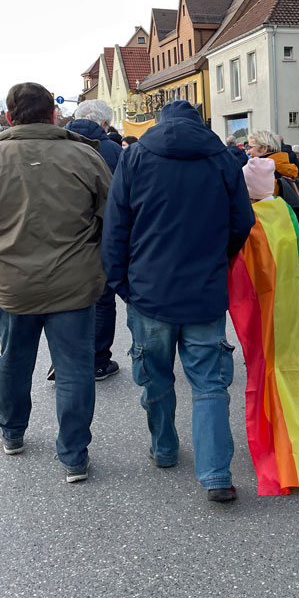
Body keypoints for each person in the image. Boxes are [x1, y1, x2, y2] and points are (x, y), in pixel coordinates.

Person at [0, 82, 113, 483]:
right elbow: (111, 221)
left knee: (14, 360)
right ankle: (74, 456)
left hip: (9, 283)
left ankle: (12, 433)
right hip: (73, 283)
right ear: (53, 114)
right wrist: (100, 269)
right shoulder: (85, 157)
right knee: (74, 369)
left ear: (9, 117)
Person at [101, 99, 255, 502]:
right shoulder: (221, 159)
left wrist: (121, 283)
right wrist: (219, 260)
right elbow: (242, 221)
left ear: (160, 123)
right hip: (204, 290)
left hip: (149, 290)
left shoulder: (135, 157)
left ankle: (165, 448)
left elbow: (116, 226)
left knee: (155, 375)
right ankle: (216, 474)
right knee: (209, 382)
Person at [227, 158, 299, 496]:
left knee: (270, 375)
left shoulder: (250, 221)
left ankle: (280, 447)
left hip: (267, 316)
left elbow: (242, 273)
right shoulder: (286, 213)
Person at [36, 99, 124, 384]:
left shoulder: (53, 145)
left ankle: (63, 359)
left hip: (56, 235)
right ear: (104, 124)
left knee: (62, 299)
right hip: (100, 236)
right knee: (102, 299)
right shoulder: (112, 151)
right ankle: (98, 361)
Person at [246, 130, 299, 194]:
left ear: (264, 148)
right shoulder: (286, 168)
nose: (248, 152)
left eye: (250, 147)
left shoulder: (261, 172)